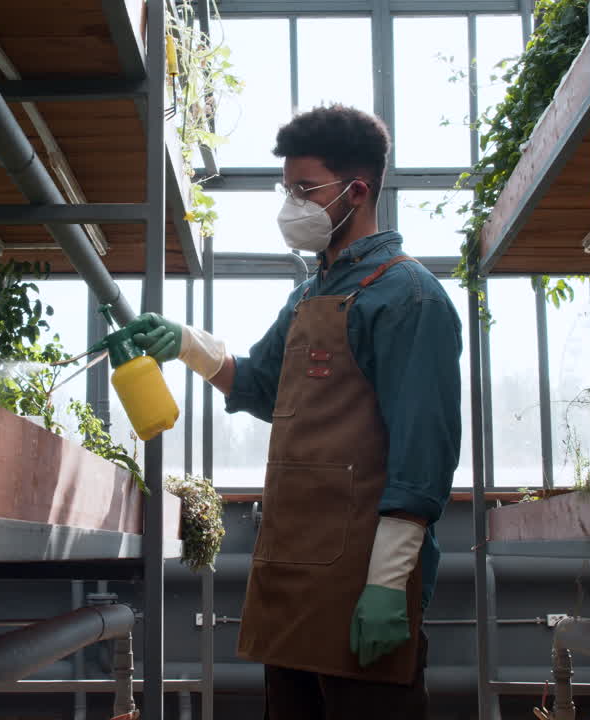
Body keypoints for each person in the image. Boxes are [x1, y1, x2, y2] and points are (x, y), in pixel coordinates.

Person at [125, 104, 462, 719]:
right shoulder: (312, 293)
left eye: (306, 189)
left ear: (357, 191)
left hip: (363, 580)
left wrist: (388, 584)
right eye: (288, 189)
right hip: (292, 575)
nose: (292, 205)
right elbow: (259, 385)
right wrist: (186, 343)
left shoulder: (409, 297)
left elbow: (424, 455)